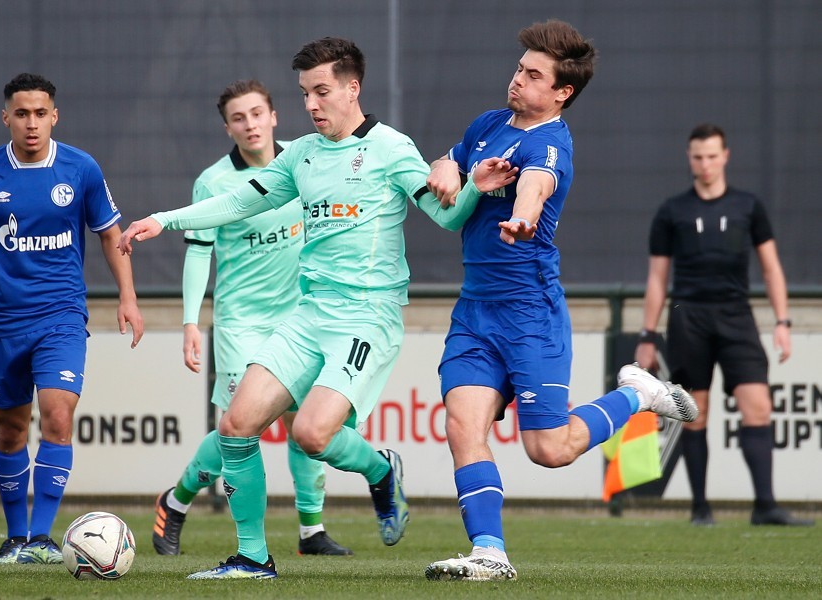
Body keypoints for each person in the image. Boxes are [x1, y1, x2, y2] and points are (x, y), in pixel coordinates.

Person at [119, 37, 515, 580]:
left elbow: (446, 218)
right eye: (305, 93)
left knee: (309, 435)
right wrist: (167, 219)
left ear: (353, 89)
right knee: (236, 424)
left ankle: (381, 474)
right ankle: (253, 558)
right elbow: (239, 201)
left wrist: (474, 189)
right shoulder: (301, 154)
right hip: (308, 315)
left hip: (366, 318)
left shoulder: (391, 148)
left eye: (322, 91)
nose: (311, 104)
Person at [422, 20, 699, 582]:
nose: (516, 80)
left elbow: (535, 186)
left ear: (561, 92)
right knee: (461, 423)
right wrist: (448, 172)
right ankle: (489, 553)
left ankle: (637, 396)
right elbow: (446, 161)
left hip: (530, 314)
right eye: (519, 68)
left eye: (532, 75)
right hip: (475, 310)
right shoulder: (489, 122)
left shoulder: (551, 143)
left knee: (549, 449)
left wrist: (522, 217)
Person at [0, 73, 144, 564]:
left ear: (54, 116)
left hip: (62, 315)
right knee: (10, 429)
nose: (31, 124)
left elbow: (110, 234)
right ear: (6, 117)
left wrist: (129, 297)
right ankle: (15, 539)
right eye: (22, 114)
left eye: (40, 114)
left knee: (57, 415)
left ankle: (41, 538)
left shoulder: (81, 169)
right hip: (4, 322)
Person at [151, 79, 351, 557]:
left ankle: (311, 532)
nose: (250, 124)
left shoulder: (306, 161)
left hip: (302, 319)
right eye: (239, 118)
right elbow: (199, 254)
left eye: (257, 113)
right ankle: (176, 501)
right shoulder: (215, 181)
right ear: (228, 128)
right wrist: (189, 322)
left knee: (307, 424)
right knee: (240, 427)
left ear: (274, 116)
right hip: (242, 324)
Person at [634, 123, 814, 528]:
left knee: (758, 407)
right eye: (698, 157)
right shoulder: (672, 211)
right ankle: (700, 508)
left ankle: (765, 506)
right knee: (695, 413)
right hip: (688, 318)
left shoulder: (748, 206)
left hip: (736, 317)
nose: (706, 164)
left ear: (726, 156)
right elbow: (658, 278)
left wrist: (783, 322)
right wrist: (648, 334)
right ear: (689, 158)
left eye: (713, 156)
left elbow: (771, 268)